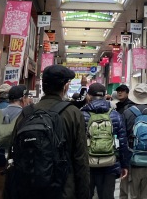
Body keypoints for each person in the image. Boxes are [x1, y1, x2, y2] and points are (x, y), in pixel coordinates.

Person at [10, 65, 90, 199]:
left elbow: (13, 151)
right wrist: (84, 194)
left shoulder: (26, 113)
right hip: (63, 190)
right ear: (65, 87)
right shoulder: (72, 113)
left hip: (28, 189)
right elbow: (81, 160)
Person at [80, 83, 130, 199]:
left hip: (87, 165)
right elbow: (122, 142)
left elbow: (77, 143)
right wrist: (124, 165)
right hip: (110, 165)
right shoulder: (116, 115)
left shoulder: (82, 115)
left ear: (89, 96)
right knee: (107, 196)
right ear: (104, 96)